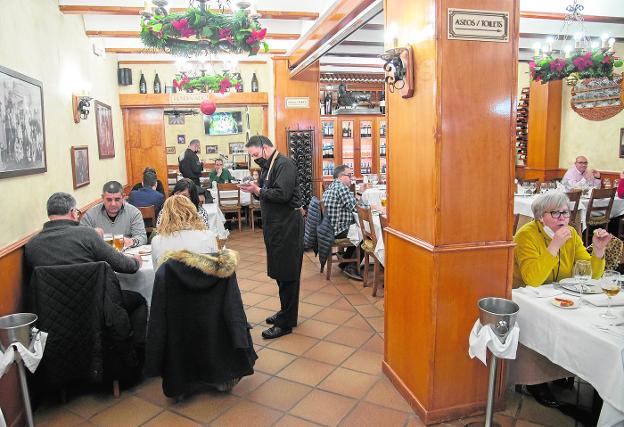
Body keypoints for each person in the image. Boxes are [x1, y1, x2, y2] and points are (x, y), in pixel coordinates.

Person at [25, 192, 147, 386]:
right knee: (138, 300)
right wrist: (136, 261)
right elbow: (125, 266)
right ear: (74, 213)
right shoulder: (87, 235)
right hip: (96, 311)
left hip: (54, 319)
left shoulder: (32, 246)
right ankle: (132, 359)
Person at [512, 191, 611, 408]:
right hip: (526, 297)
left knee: (581, 323)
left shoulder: (572, 234)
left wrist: (599, 251)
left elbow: (591, 275)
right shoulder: (526, 235)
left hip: (560, 297)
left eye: (565, 213)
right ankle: (535, 381)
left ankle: (563, 369)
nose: (563, 218)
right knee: (542, 321)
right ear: (540, 216)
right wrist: (554, 246)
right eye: (555, 213)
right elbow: (533, 279)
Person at [240, 135, 304, 339]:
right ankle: (286, 313)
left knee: (287, 273)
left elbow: (282, 195)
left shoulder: (285, 164)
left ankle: (286, 322)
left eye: (256, 154)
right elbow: (268, 192)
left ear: (265, 148)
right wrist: (256, 190)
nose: (255, 159)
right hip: (276, 226)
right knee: (280, 271)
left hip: (287, 226)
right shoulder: (268, 165)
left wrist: (258, 190)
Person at [322, 165, 363, 281]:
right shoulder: (341, 188)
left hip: (329, 228)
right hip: (337, 230)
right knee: (366, 235)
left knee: (359, 230)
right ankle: (351, 266)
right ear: (340, 177)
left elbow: (352, 204)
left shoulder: (333, 185)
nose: (352, 178)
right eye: (349, 175)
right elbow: (357, 208)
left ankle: (344, 263)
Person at [151, 195, 218, 265]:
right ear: (192, 212)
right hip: (200, 275)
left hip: (170, 275)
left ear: (165, 215)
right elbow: (215, 268)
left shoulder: (157, 241)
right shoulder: (208, 236)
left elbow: (157, 273)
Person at [81, 181, 148, 248]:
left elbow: (142, 237)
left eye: (117, 199)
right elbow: (81, 240)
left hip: (126, 255)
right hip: (100, 256)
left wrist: (131, 241)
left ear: (123, 197)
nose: (113, 204)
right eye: (109, 200)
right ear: (102, 198)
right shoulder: (90, 216)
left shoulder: (134, 213)